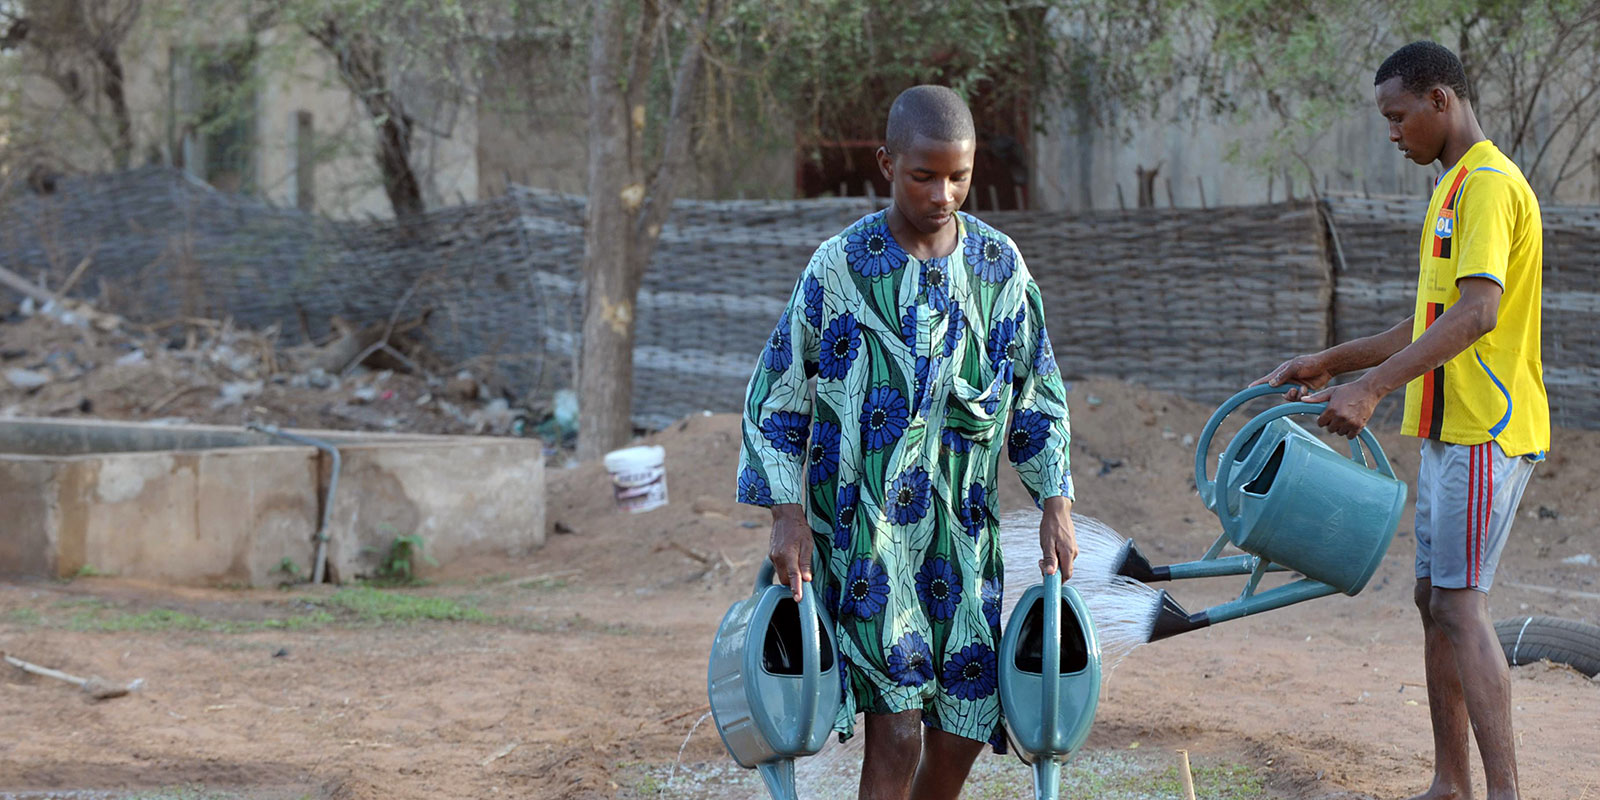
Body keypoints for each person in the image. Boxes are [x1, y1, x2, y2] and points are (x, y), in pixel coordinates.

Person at [736, 85, 1078, 800]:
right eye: (924, 175)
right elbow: (777, 399)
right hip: (866, 540)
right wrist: (786, 513)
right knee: (897, 730)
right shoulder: (838, 269)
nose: (944, 193)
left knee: (963, 727)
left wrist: (1055, 499)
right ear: (888, 163)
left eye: (959, 176)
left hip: (963, 536)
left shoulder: (999, 269)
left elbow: (1037, 391)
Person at [1256, 41, 1546, 800]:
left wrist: (1374, 390)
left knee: (1458, 603)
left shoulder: (1486, 185)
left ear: (1439, 101)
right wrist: (1332, 362)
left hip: (1488, 427)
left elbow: (1479, 314)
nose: (1391, 133)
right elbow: (1427, 322)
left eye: (1397, 116)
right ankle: (1451, 783)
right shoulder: (1452, 188)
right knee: (1432, 601)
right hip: (1450, 430)